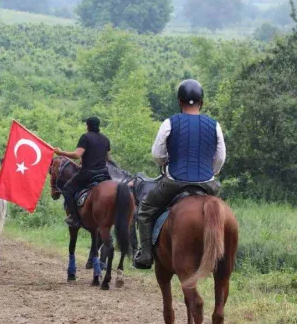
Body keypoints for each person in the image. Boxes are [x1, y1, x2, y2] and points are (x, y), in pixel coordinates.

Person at [133, 79, 225, 269]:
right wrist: (211, 172)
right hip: (207, 183)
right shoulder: (214, 125)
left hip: (175, 181)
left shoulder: (169, 122)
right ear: (202, 101)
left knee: (145, 210)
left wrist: (166, 164)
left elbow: (157, 153)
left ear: (179, 101)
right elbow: (220, 157)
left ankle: (145, 255)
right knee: (221, 213)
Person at [52, 117, 112, 228]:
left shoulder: (85, 137)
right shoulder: (105, 139)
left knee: (67, 189)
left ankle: (74, 218)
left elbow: (77, 154)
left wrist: (61, 152)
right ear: (98, 126)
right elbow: (108, 158)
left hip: (88, 173)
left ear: (88, 125)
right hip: (104, 174)